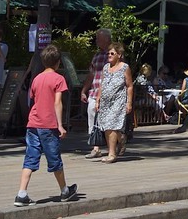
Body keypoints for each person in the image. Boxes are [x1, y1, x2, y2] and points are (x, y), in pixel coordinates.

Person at [14, 43, 79, 206]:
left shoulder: (37, 79)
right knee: (54, 158)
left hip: (33, 123)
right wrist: (60, 125)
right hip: (48, 125)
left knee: (30, 158)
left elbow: (33, 99)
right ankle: (64, 191)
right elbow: (58, 103)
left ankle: (21, 193)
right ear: (58, 62)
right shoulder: (58, 79)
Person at [96, 41, 134, 163]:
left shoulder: (124, 67)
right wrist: (98, 99)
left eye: (112, 53)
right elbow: (102, 84)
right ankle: (121, 139)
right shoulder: (106, 67)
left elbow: (129, 86)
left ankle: (111, 154)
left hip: (118, 101)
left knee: (111, 125)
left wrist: (129, 103)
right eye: (108, 53)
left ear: (119, 55)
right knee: (107, 126)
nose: (109, 55)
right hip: (105, 102)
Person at [81, 29, 111, 159]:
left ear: (106, 39)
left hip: (108, 93)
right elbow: (91, 74)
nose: (97, 41)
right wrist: (84, 90)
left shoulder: (113, 54)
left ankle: (113, 146)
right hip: (94, 91)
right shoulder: (97, 56)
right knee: (92, 114)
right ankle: (96, 147)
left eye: (99, 38)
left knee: (109, 120)